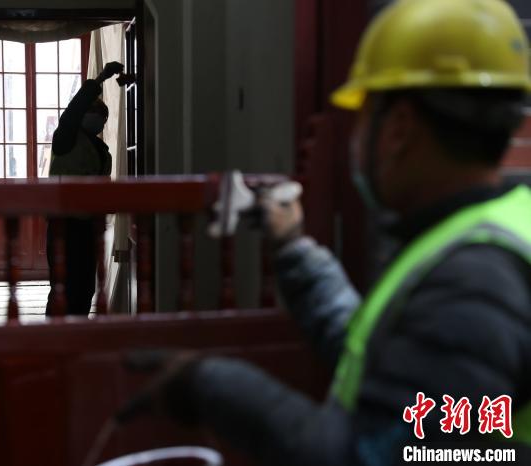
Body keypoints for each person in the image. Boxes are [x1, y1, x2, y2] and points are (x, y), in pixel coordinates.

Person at [127, 0, 531, 464]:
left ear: (398, 129)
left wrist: (211, 383)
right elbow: (381, 361)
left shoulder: (474, 284)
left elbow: (368, 455)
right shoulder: (488, 234)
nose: (356, 138)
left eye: (364, 116)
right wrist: (293, 248)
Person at [46, 61, 123, 316]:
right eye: (94, 113)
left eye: (103, 116)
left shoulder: (101, 150)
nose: (99, 119)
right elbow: (74, 108)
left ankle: (77, 331)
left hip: (89, 226)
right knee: (63, 289)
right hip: (64, 224)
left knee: (85, 288)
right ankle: (57, 335)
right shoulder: (66, 137)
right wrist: (101, 78)